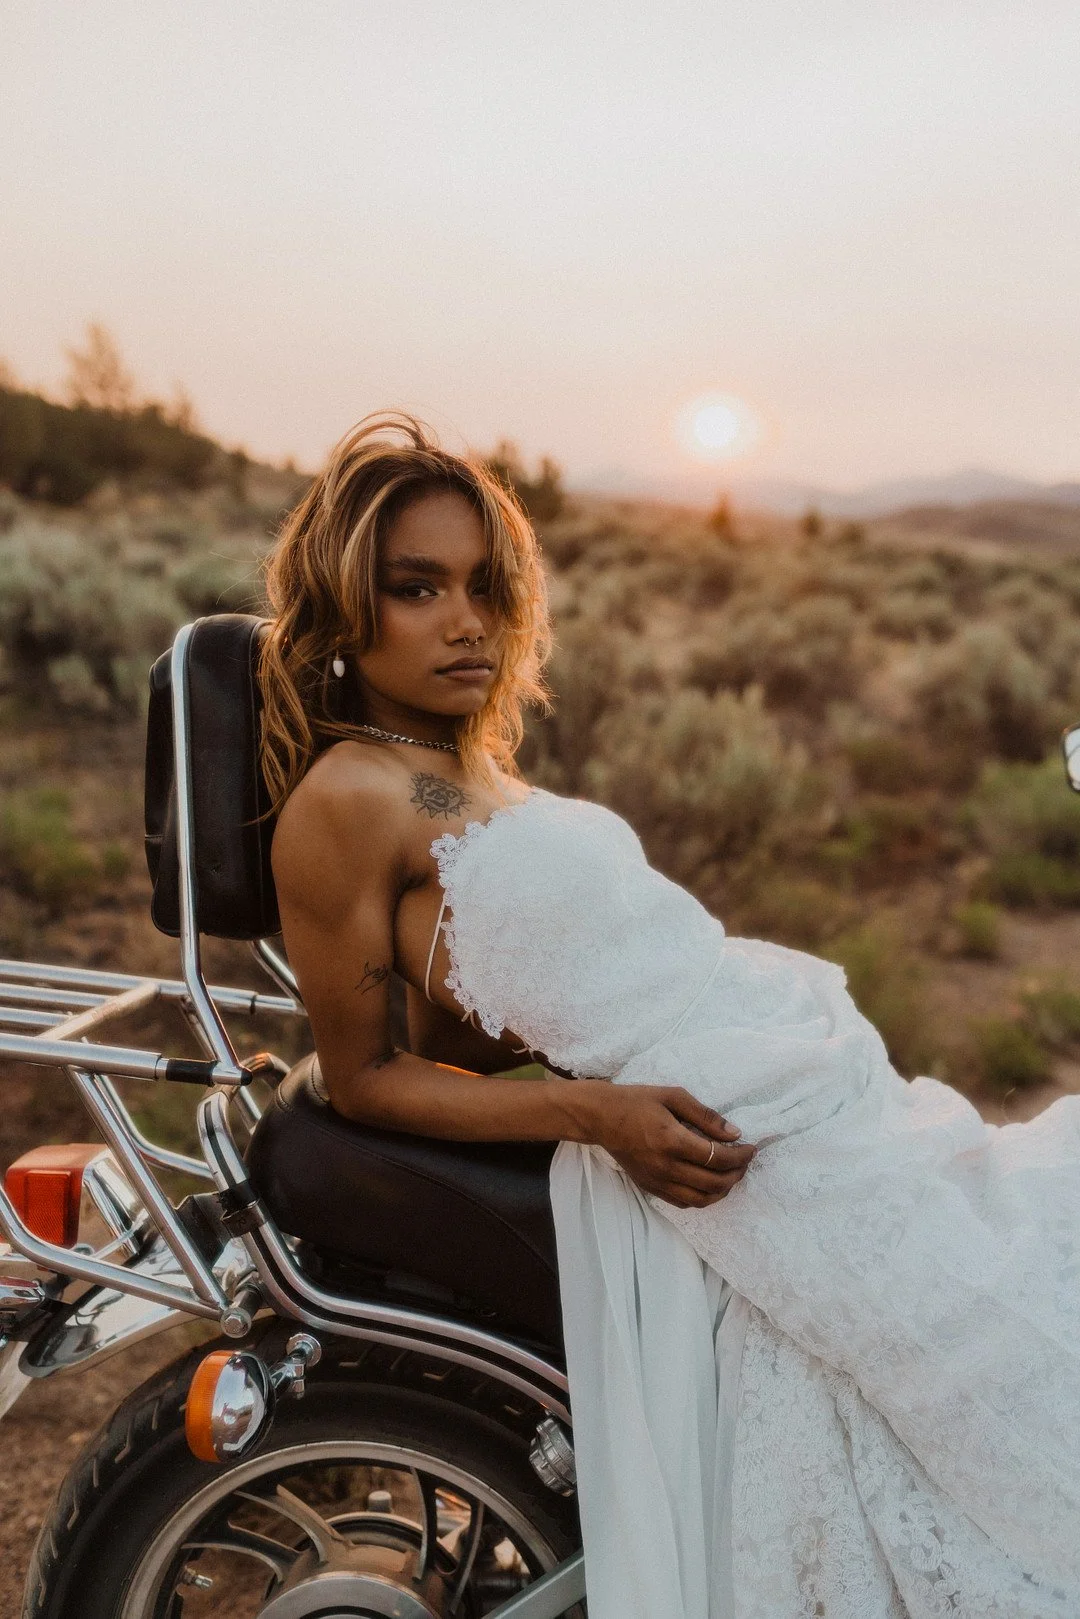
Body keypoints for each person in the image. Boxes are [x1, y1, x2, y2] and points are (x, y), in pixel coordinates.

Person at [262, 413, 1079, 1619]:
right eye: (416, 587)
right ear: (344, 607)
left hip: (776, 1053)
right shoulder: (347, 796)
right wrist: (596, 1111)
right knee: (987, 1346)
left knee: (1016, 1246)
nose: (465, 619)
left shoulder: (458, 760)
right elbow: (368, 1074)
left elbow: (486, 996)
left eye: (486, 586)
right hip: (701, 1121)